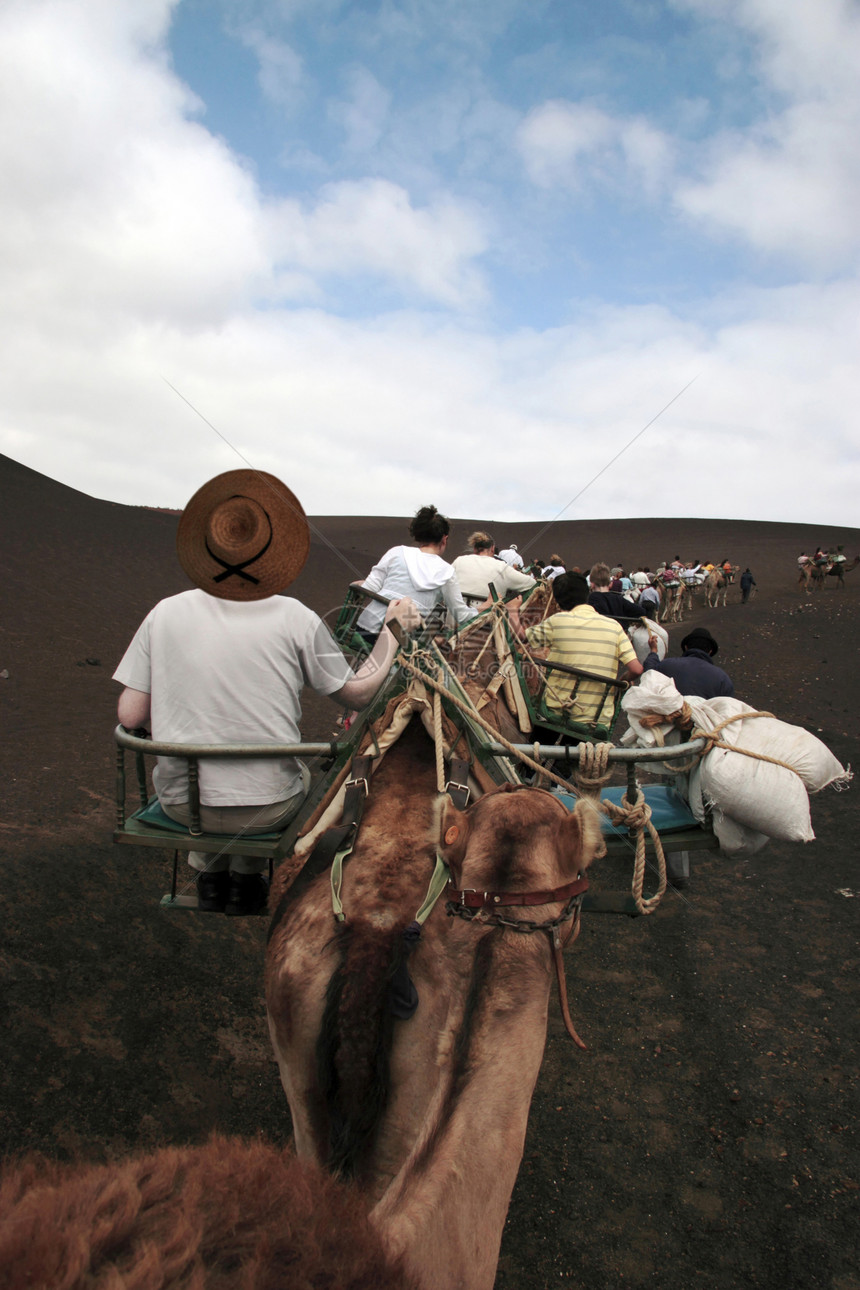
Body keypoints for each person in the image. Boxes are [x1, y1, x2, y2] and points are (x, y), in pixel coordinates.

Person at [114, 469, 418, 915]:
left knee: (209, 793)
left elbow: (131, 714)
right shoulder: (294, 616)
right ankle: (247, 878)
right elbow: (357, 694)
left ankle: (210, 876)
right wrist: (392, 632)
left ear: (206, 546)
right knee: (299, 781)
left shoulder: (165, 613)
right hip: (267, 807)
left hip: (183, 805)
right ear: (275, 551)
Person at [508, 571, 643, 731]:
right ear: (587, 594)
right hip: (597, 719)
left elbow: (521, 637)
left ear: (557, 602)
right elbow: (636, 669)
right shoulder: (615, 626)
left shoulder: (558, 621)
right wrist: (621, 681)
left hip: (558, 711)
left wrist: (512, 610)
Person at [356, 505, 478, 643]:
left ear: (418, 534)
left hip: (367, 629)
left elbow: (368, 589)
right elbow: (461, 615)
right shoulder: (447, 572)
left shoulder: (396, 552)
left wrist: (360, 584)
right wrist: (484, 607)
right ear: (444, 539)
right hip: (402, 643)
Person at [643, 626, 734, 698]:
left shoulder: (667, 665)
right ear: (710, 651)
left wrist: (654, 651)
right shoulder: (722, 679)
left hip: (669, 719)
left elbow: (649, 671)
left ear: (686, 647)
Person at [452, 531, 536, 602]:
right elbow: (532, 584)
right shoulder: (502, 567)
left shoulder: (459, 561)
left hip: (454, 618)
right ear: (492, 549)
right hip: (488, 619)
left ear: (474, 549)